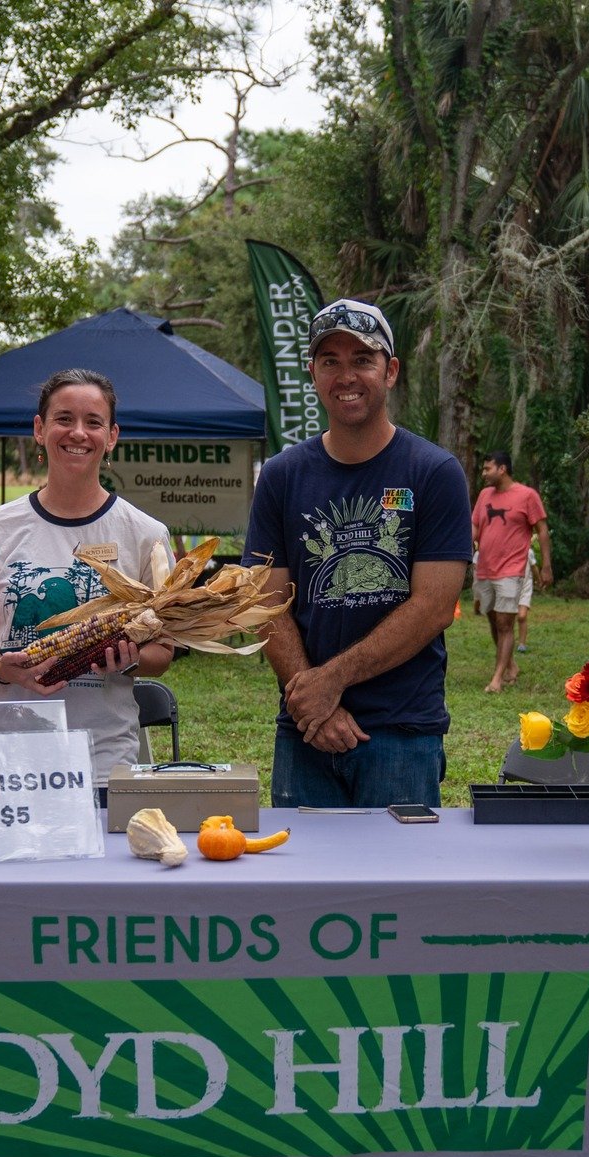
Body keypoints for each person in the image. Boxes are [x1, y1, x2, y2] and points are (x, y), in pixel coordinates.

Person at [243, 299, 471, 810]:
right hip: (304, 733)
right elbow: (262, 602)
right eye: (330, 361)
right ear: (313, 374)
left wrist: (330, 682)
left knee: (402, 888)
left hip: (401, 733)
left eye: (362, 360)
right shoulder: (281, 476)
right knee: (303, 889)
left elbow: (435, 606)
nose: (346, 375)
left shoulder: (434, 473)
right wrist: (314, 708)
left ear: (390, 371)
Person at [0, 369, 176, 792]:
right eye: (64, 419)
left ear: (112, 437)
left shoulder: (146, 535)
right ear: (39, 429)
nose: (78, 433)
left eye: (94, 422)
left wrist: (130, 659)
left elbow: (163, 651)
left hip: (99, 757)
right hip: (0, 752)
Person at [471, 450, 551, 693]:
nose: (484, 474)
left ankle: (497, 678)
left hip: (512, 569)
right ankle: (511, 665)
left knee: (505, 623)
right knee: (494, 619)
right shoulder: (485, 495)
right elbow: (474, 527)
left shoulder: (527, 496)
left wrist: (546, 565)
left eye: (488, 469)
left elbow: (543, 530)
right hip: (485, 567)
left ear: (502, 469)